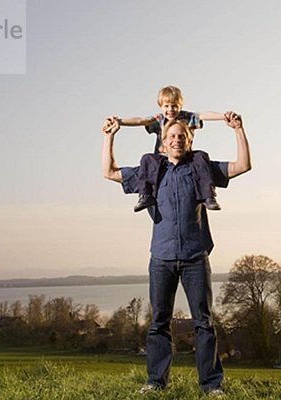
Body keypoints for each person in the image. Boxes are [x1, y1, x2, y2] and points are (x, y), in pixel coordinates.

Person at [101, 111, 251, 396]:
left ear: (189, 141)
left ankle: (211, 385)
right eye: (171, 136)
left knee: (203, 322)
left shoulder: (200, 168)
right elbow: (109, 172)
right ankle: (156, 383)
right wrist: (109, 137)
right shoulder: (152, 172)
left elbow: (243, 165)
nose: (176, 140)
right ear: (163, 144)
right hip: (161, 259)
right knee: (159, 322)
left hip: (195, 257)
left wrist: (238, 130)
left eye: (182, 136)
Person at [113, 85, 226, 212]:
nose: (170, 109)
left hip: (184, 157)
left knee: (201, 157)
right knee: (147, 159)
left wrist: (223, 116)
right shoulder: (159, 119)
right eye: (166, 106)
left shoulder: (187, 117)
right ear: (161, 106)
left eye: (174, 106)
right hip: (162, 159)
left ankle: (208, 196)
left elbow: (204, 115)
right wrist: (120, 121)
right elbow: (140, 120)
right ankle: (145, 195)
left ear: (180, 106)